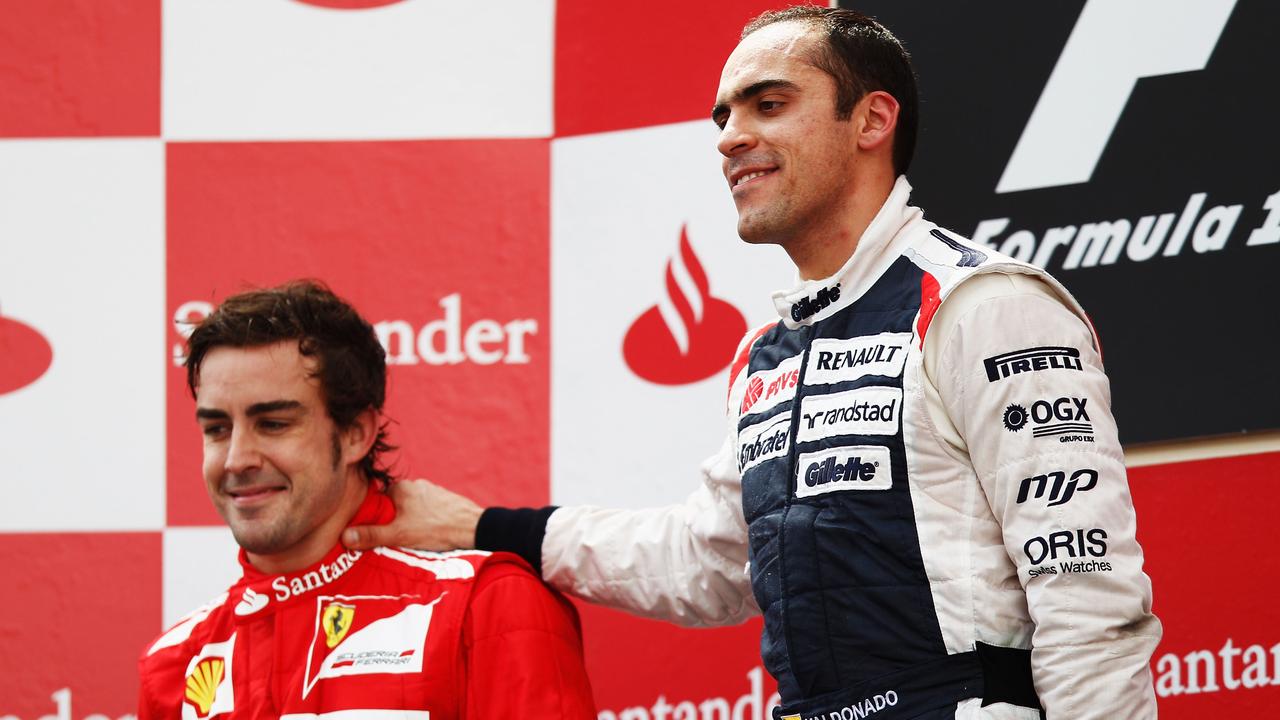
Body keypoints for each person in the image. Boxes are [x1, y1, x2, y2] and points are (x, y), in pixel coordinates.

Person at [344, 7, 1161, 719]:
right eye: (725, 115)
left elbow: (1088, 595)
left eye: (770, 105)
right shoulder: (767, 353)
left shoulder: (984, 306)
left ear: (872, 120)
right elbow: (708, 563)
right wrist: (490, 529)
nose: (732, 136)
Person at [137, 281, 597, 719]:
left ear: (356, 434)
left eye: (273, 423)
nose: (236, 459)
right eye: (217, 429)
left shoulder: (486, 604)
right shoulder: (175, 661)